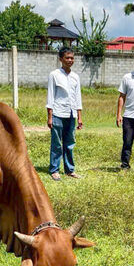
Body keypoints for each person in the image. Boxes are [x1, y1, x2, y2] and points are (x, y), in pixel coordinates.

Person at [46, 47, 83, 180]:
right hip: (58, 113)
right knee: (56, 143)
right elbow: (50, 96)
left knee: (70, 143)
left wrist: (79, 117)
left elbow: (77, 97)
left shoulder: (75, 77)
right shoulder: (54, 75)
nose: (70, 60)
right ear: (61, 59)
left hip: (71, 114)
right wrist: (50, 116)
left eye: (72, 58)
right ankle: (54, 169)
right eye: (67, 58)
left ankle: (69, 170)